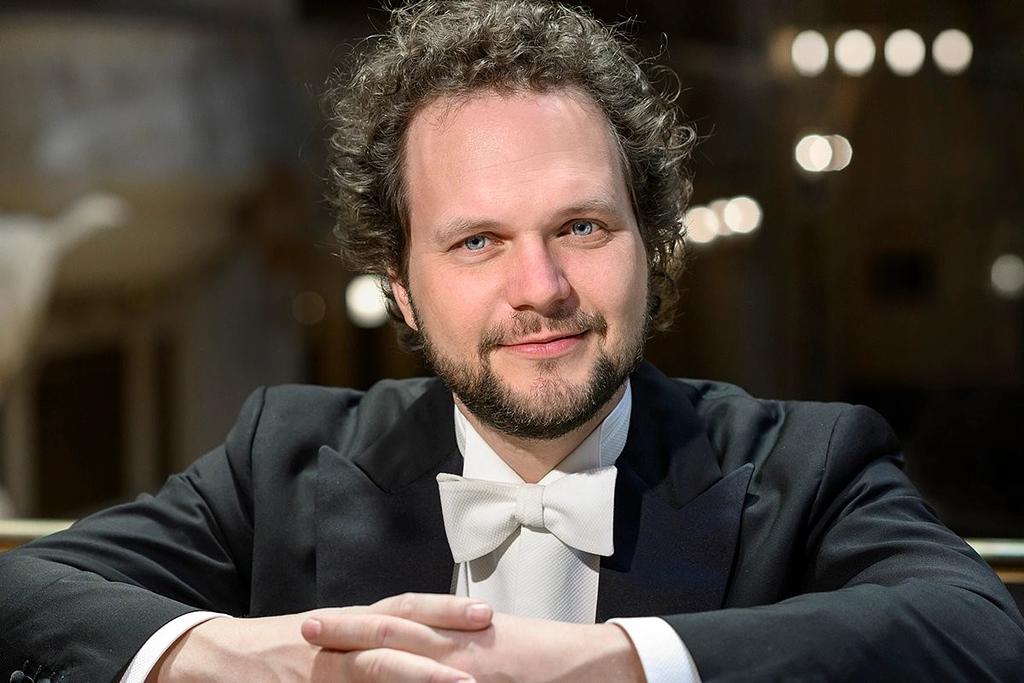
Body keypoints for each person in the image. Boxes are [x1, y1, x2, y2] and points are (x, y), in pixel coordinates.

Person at [2, 1, 1023, 681]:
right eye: (477, 241)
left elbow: (978, 630)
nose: (540, 288)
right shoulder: (284, 458)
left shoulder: (808, 464)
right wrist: (248, 656)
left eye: (581, 226)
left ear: (652, 244)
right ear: (401, 288)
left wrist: (611, 662)